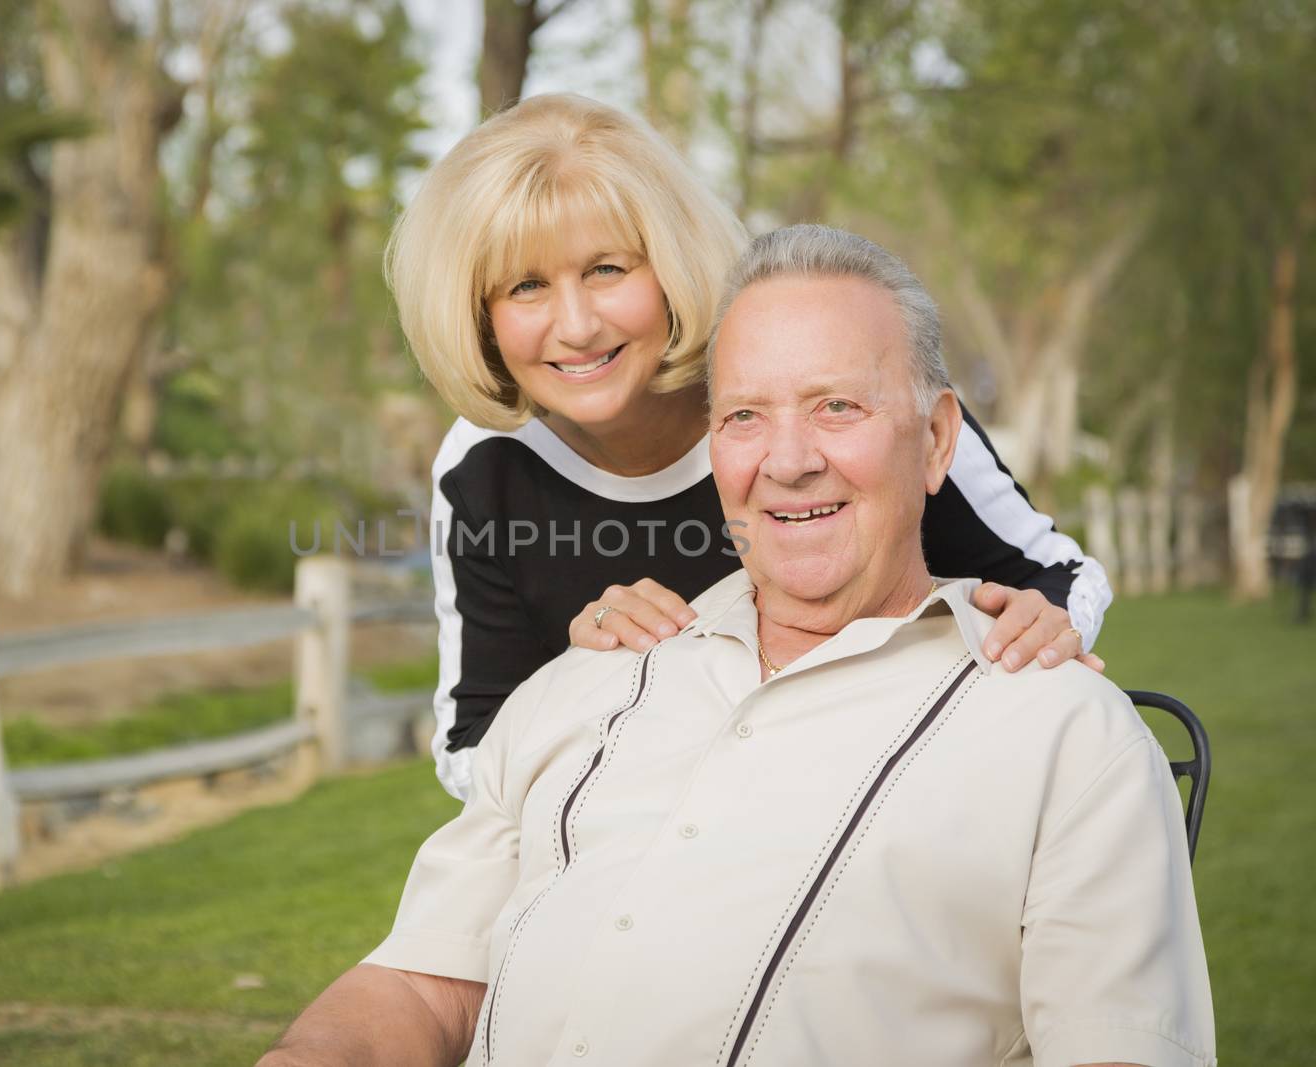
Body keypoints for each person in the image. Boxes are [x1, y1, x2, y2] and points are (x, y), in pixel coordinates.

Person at [259, 225, 1213, 1067]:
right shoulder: (589, 678)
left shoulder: (1062, 734)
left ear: (934, 441)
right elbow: (426, 986)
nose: (787, 459)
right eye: (745, 416)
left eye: (837, 407)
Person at [387, 93, 1114, 800]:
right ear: (478, 314)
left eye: (607, 268)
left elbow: (1059, 577)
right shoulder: (482, 465)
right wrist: (581, 674)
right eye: (526, 286)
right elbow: (472, 750)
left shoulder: (812, 392)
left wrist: (1035, 628)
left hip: (889, 785)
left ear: (667, 262)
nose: (575, 324)